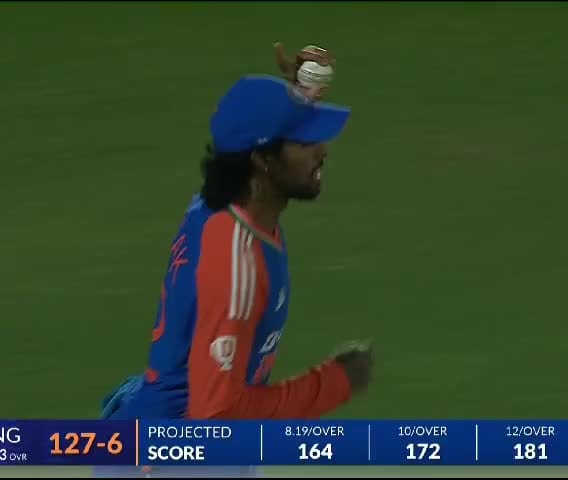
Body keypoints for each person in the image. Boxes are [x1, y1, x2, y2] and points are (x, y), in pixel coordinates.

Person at [100, 74, 373, 422]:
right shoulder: (235, 263)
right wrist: (334, 384)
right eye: (304, 142)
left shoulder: (221, 203)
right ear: (262, 160)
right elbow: (217, 415)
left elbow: (243, 127)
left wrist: (291, 96)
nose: (322, 151)